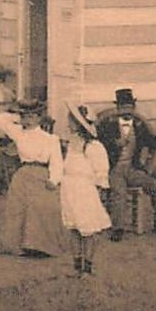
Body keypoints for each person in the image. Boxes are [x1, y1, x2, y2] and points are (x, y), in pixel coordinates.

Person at [95, 88, 156, 239]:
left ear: (133, 108)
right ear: (117, 109)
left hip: (132, 169)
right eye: (123, 108)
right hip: (113, 170)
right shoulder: (108, 125)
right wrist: (114, 144)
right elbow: (98, 145)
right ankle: (118, 229)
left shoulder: (139, 126)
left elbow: (153, 141)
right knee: (119, 192)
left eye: (129, 107)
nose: (126, 111)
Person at [0, 99, 67, 257]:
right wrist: (17, 115)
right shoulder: (19, 133)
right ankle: (18, 245)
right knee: (18, 209)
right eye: (25, 116)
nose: (28, 120)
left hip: (42, 174)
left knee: (42, 206)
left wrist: (54, 180)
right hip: (23, 174)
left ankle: (40, 246)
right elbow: (1, 118)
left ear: (40, 118)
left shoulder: (50, 139)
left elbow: (57, 162)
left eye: (32, 116)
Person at [60, 103, 112, 276]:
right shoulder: (70, 144)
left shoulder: (92, 147)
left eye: (71, 120)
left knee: (87, 229)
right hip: (69, 189)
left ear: (79, 123)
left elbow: (101, 172)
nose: (68, 124)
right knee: (73, 228)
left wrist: (100, 193)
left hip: (84, 191)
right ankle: (76, 267)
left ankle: (88, 268)